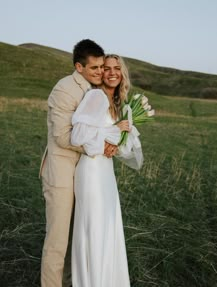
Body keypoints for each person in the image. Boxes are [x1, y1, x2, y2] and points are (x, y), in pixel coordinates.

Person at [39, 39, 115, 287]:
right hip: (61, 173)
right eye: (94, 68)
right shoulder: (64, 89)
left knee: (78, 238)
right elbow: (62, 137)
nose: (100, 72)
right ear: (78, 67)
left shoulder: (97, 90)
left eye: (102, 67)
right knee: (58, 241)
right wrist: (100, 145)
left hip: (86, 174)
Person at [70, 54, 143, 287]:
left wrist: (118, 141)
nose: (112, 72)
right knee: (94, 229)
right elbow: (78, 135)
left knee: (107, 226)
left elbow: (118, 148)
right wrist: (111, 134)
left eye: (117, 68)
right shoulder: (95, 96)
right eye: (107, 68)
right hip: (90, 171)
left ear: (123, 74)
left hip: (105, 171)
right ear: (101, 73)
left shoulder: (117, 103)